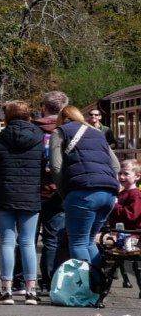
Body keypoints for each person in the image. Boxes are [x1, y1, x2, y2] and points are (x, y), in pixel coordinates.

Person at [0, 101, 45, 303]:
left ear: (7, 118)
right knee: (28, 243)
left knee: (7, 242)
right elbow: (44, 166)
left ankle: (6, 290)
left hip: (4, 195)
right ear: (29, 116)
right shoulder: (39, 138)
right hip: (30, 195)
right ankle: (31, 292)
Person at [54, 103, 120, 278]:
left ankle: (87, 287)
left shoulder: (61, 131)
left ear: (62, 118)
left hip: (83, 192)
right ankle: (100, 281)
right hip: (108, 194)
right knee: (89, 241)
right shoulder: (97, 133)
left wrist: (64, 193)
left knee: (77, 242)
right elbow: (116, 165)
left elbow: (55, 166)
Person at [35, 90, 70, 293]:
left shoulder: (33, 130)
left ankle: (22, 281)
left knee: (26, 239)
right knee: (53, 239)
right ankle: (49, 281)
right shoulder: (68, 131)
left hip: (33, 190)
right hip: (58, 191)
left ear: (44, 107)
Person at [98, 156, 141, 293]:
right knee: (93, 238)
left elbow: (131, 215)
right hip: (119, 232)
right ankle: (102, 272)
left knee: (92, 240)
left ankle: (99, 276)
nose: (121, 176)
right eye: (120, 173)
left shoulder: (135, 195)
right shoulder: (123, 193)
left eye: (126, 174)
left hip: (131, 236)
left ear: (137, 176)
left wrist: (115, 205)